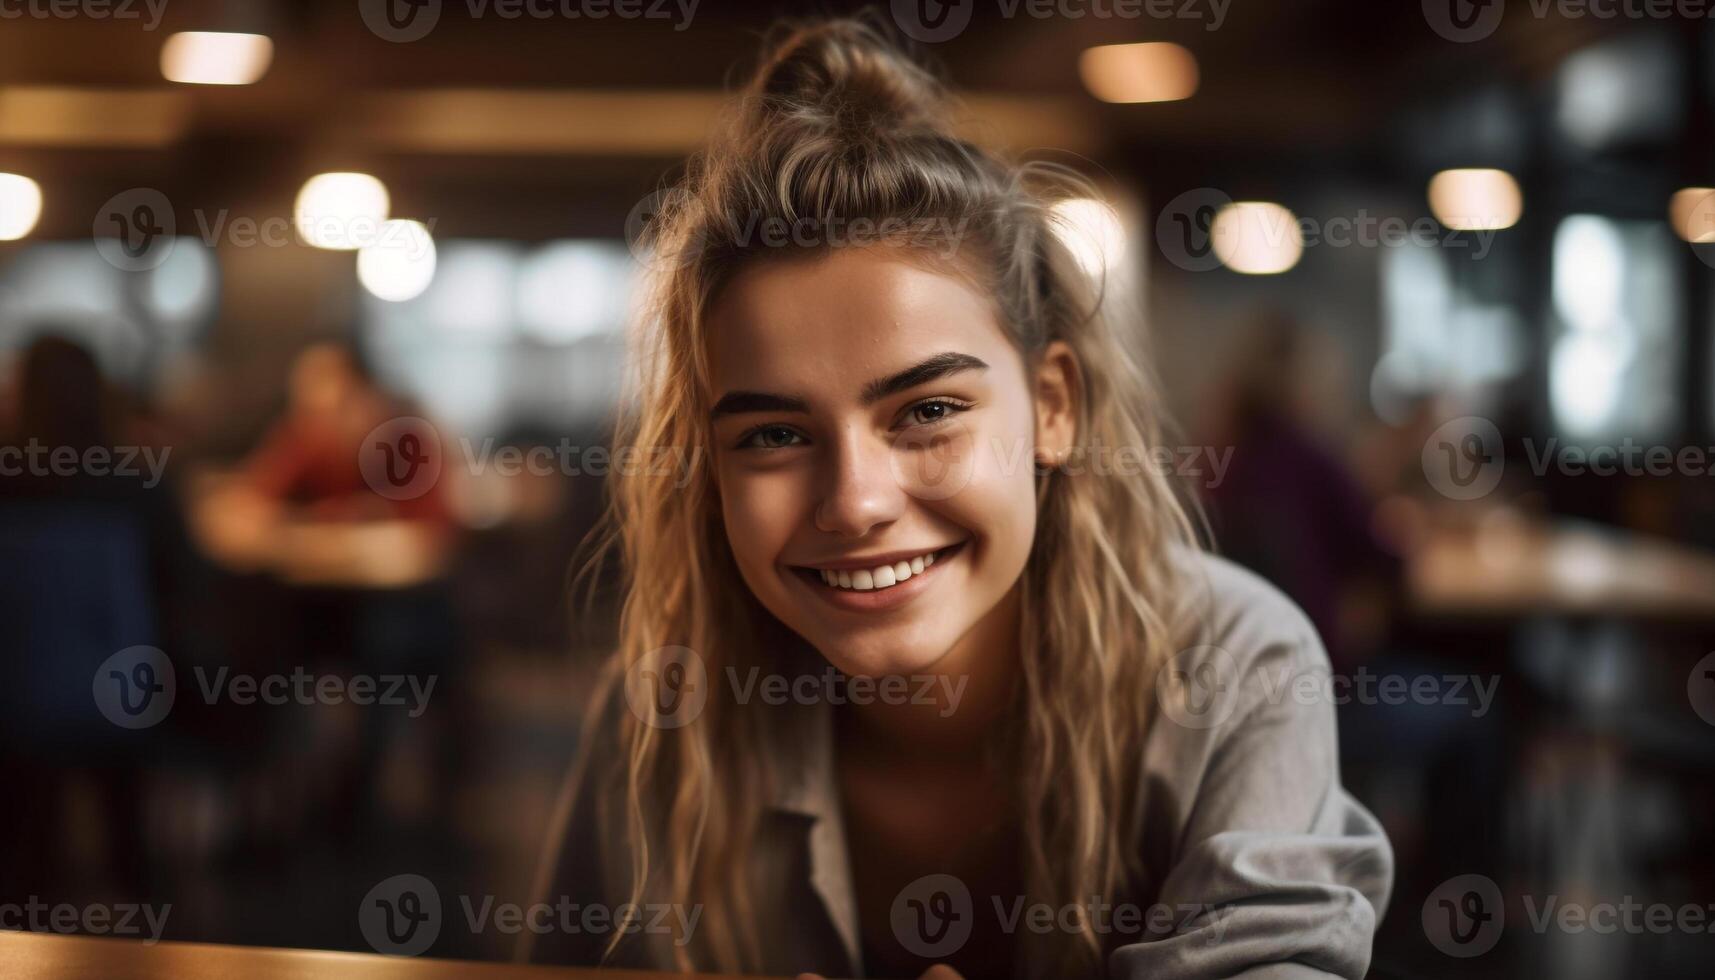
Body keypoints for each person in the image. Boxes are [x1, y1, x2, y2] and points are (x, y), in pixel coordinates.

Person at [529, 18, 1391, 979]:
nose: (854, 502)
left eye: (927, 410)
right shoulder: (667, 705)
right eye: (772, 435)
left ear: (1052, 407)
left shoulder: (1235, 665)